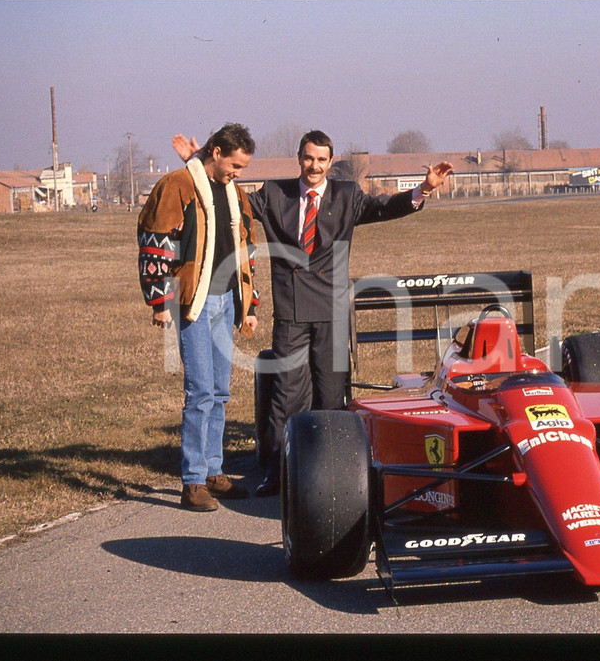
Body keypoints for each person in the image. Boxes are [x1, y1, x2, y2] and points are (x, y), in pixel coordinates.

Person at [173, 130, 453, 495]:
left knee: (330, 396)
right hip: (291, 312)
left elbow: (386, 207)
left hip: (332, 313)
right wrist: (198, 163)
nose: (314, 166)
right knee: (286, 398)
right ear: (299, 158)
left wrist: (424, 189)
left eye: (322, 160)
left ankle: (335, 473)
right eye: (308, 158)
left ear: (330, 162)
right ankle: (278, 472)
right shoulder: (275, 194)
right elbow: (229, 196)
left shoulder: (347, 195)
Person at [139, 123, 260, 511]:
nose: (237, 173)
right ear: (217, 152)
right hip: (195, 300)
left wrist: (249, 304)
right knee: (200, 392)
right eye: (235, 165)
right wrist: (160, 302)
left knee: (220, 393)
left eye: (242, 168)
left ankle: (213, 471)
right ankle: (192, 481)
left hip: (226, 302)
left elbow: (246, 248)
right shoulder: (176, 185)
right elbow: (156, 242)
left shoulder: (233, 191)